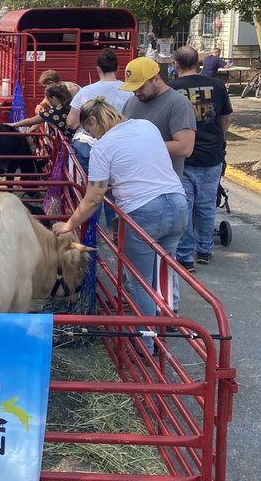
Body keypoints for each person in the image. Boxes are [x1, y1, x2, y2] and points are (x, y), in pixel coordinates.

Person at [52, 97, 188, 352]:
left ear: (93, 121)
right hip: (178, 203)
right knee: (165, 270)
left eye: (89, 130)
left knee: (140, 281)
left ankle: (146, 344)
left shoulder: (103, 147)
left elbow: (93, 197)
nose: (91, 135)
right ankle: (165, 326)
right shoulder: (147, 126)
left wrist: (68, 224)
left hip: (143, 211)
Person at [171, 45, 232, 271]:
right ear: (198, 63)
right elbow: (225, 119)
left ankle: (185, 255)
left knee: (185, 206)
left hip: (183, 156)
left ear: (176, 65)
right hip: (211, 154)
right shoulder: (217, 85)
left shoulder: (172, 89)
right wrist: (218, 138)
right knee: (206, 205)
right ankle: (204, 250)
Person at [121, 57, 196, 177]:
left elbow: (185, 148)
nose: (136, 93)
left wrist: (139, 146)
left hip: (163, 189)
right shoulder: (131, 102)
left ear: (156, 78)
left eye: (141, 87)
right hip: (134, 184)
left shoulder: (178, 104)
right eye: (133, 89)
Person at [66, 49, 134, 175]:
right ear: (118, 68)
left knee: (85, 184)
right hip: (121, 145)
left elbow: (72, 122)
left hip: (88, 144)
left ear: (98, 69)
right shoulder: (130, 92)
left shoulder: (85, 92)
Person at [6, 83, 74, 139]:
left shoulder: (52, 113)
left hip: (67, 144)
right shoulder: (71, 106)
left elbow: (29, 121)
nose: (46, 101)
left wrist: (13, 124)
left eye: (47, 98)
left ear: (53, 98)